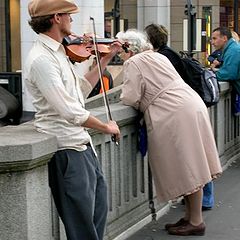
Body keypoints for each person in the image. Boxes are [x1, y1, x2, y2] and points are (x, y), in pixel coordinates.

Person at [25, 0, 121, 239]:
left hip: (82, 147)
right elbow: (70, 111)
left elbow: (79, 89)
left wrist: (106, 59)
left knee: (96, 217)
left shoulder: (58, 54)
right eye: (68, 15)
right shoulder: (41, 59)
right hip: (67, 150)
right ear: (56, 18)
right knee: (81, 227)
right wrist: (105, 126)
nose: (72, 20)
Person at [117, 29, 222, 236]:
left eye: (120, 49)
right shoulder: (157, 56)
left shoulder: (133, 63)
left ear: (129, 48)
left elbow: (130, 97)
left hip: (173, 112)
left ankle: (196, 221)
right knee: (193, 164)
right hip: (189, 104)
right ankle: (191, 217)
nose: (119, 54)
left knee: (188, 167)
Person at [145, 23, 216, 211]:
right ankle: (200, 203)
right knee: (198, 156)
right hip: (193, 105)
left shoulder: (161, 58)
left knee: (194, 160)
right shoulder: (171, 54)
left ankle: (203, 202)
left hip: (183, 110)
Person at [210, 27, 240, 92]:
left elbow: (229, 74)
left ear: (224, 38)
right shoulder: (233, 48)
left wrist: (210, 75)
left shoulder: (233, 51)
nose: (212, 42)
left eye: (214, 39)